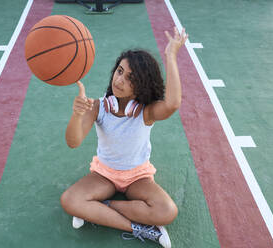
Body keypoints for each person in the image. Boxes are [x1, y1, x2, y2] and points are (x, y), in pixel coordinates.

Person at [60, 27, 188, 248]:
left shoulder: (146, 112)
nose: (119, 81)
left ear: (142, 86)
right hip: (104, 174)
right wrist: (77, 114)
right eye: (119, 71)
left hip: (137, 176)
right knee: (69, 200)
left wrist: (171, 55)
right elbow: (73, 142)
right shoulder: (98, 106)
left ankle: (99, 208)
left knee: (167, 211)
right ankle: (140, 229)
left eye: (131, 78)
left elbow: (173, 104)